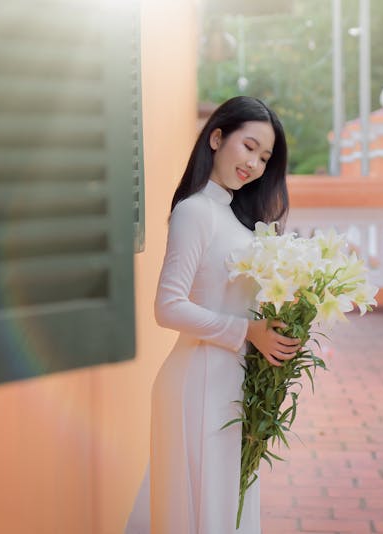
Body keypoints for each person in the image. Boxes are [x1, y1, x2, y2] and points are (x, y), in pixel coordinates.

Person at [124, 96, 301, 534]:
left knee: (226, 511)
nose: (255, 164)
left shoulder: (238, 221)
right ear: (217, 137)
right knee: (202, 512)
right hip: (198, 382)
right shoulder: (194, 212)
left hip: (235, 384)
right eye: (249, 146)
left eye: (264, 157)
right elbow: (169, 306)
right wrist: (247, 331)